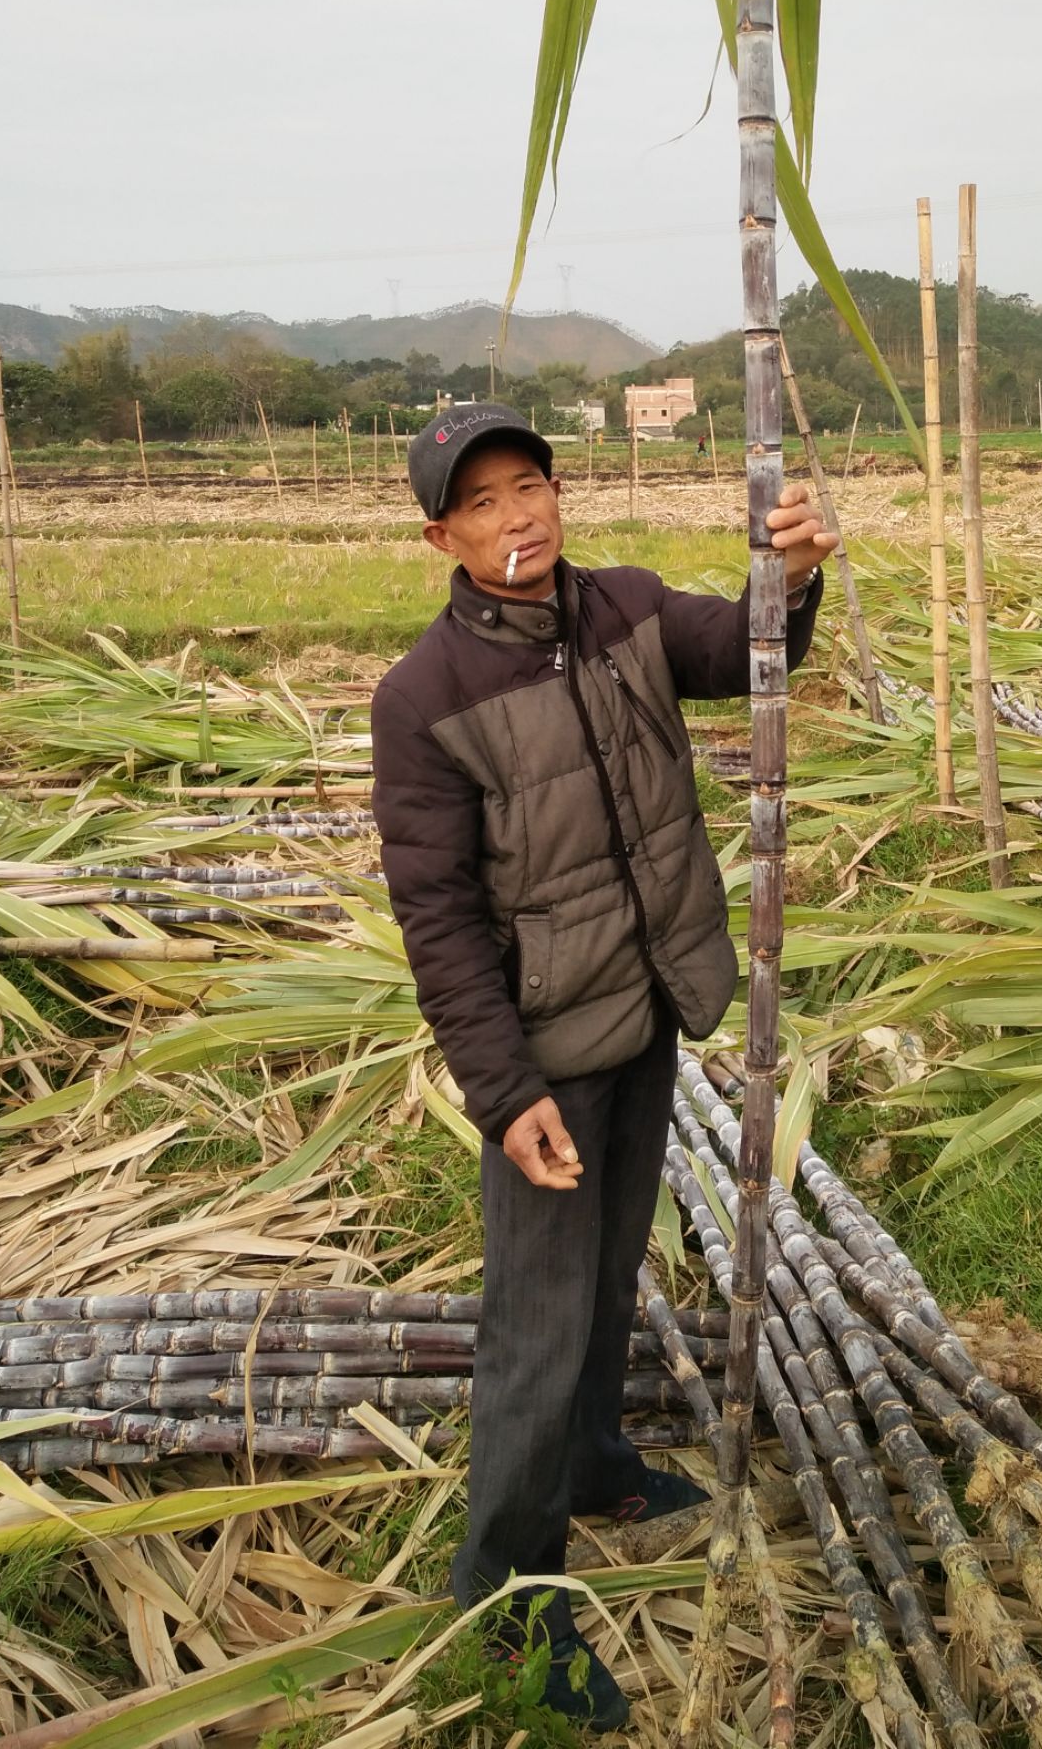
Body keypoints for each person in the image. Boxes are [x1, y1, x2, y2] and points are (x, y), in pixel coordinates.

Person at [371, 402, 837, 1731]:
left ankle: (590, 1462)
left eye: (534, 486)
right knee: (535, 1318)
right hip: (544, 1057)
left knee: (609, 1269)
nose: (520, 515)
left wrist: (791, 577)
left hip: (645, 1015)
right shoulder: (425, 702)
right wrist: (505, 1094)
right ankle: (507, 1601)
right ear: (440, 536)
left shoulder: (625, 612)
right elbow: (442, 919)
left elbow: (742, 645)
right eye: (486, 502)